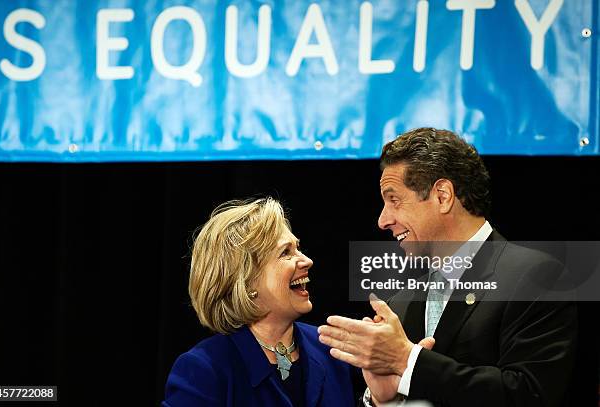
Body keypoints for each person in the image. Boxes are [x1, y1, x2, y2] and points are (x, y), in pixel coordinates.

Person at [318, 128, 577, 406]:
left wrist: (408, 362)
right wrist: (382, 399)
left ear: (443, 196)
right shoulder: (400, 302)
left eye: (394, 200)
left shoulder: (538, 275)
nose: (383, 220)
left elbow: (528, 394)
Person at [163, 198, 355, 406]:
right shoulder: (203, 371)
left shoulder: (331, 349)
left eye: (298, 248)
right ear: (245, 281)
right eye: (285, 252)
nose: (307, 261)